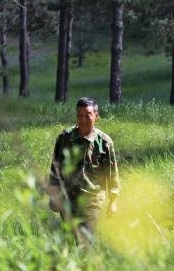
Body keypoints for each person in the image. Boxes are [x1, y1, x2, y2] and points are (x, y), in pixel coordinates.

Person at [48, 97, 120, 238]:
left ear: (96, 116)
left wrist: (113, 201)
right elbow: (55, 168)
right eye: (79, 116)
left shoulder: (104, 142)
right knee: (70, 241)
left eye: (87, 115)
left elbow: (112, 174)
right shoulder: (64, 138)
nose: (83, 120)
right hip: (66, 200)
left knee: (86, 241)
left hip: (91, 201)